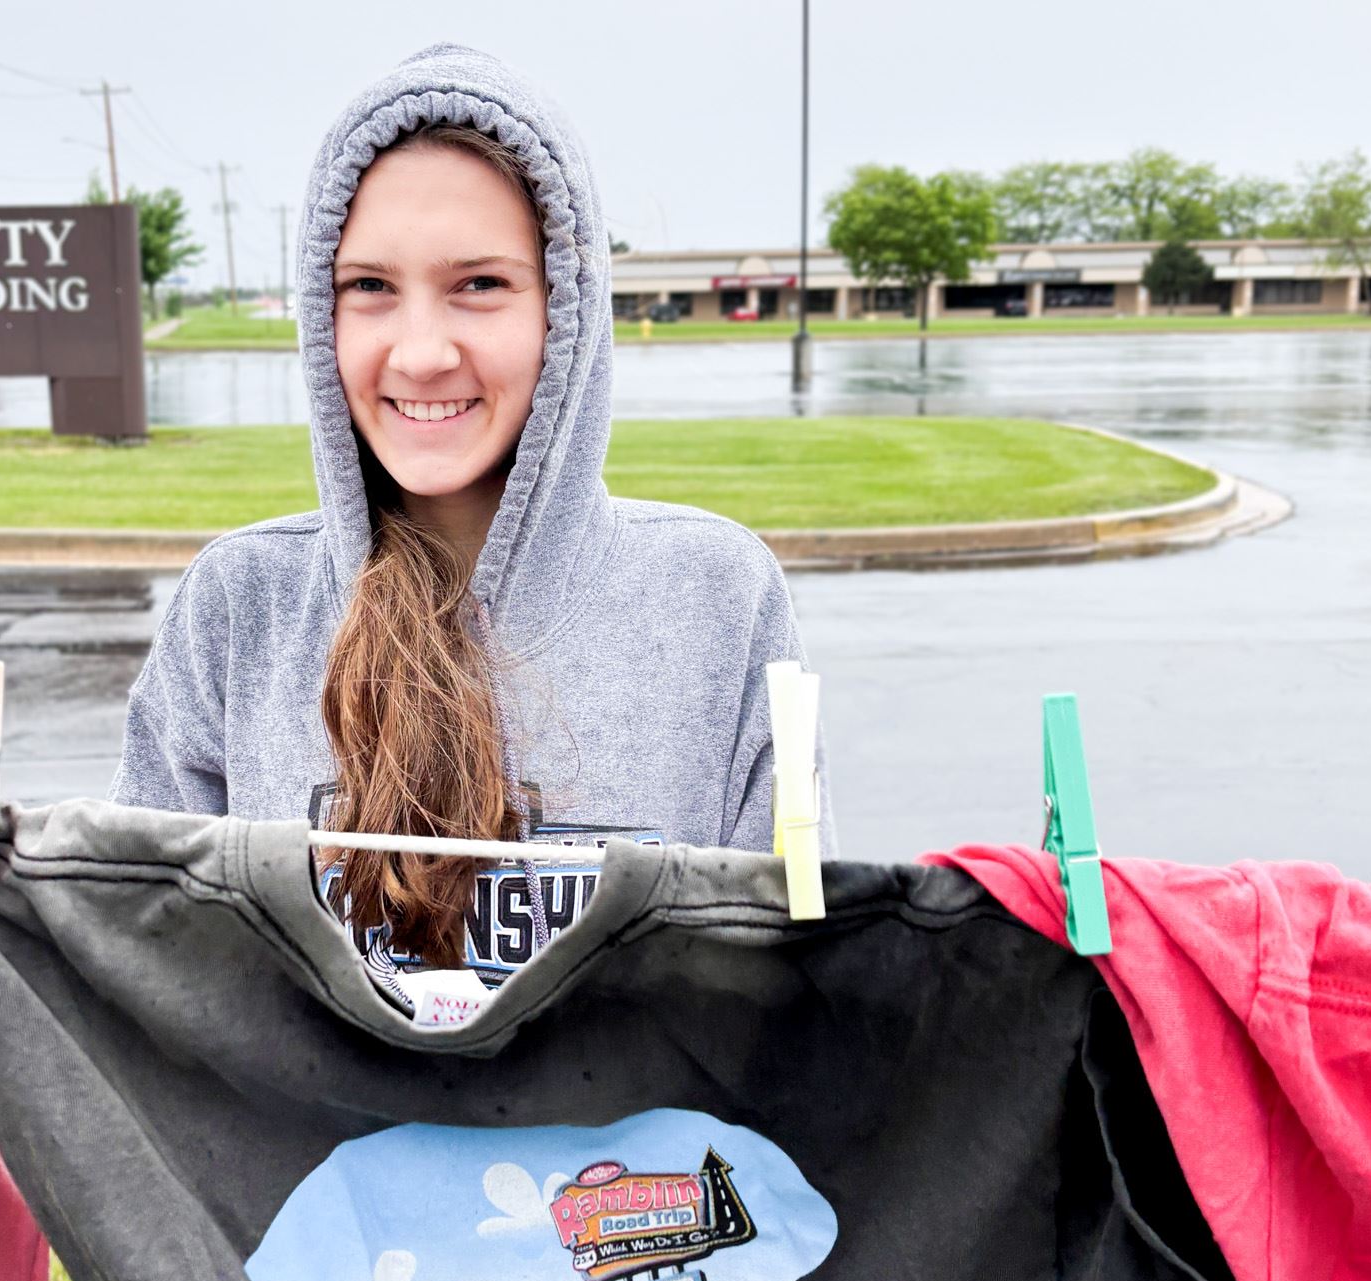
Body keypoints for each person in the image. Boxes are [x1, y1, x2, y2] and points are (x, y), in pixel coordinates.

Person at [111, 41, 834, 985]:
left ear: (565, 309)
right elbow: (143, 974)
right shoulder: (239, 606)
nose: (419, 352)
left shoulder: (719, 597)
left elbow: (790, 993)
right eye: (369, 287)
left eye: (479, 285)